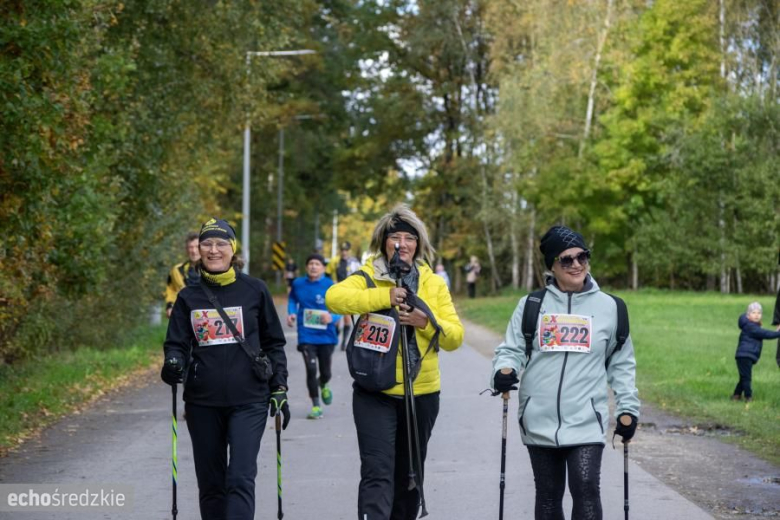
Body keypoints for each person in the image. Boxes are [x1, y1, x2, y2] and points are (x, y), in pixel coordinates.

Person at [491, 225, 640, 520]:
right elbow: (511, 349)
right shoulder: (532, 305)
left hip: (587, 417)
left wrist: (628, 408)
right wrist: (503, 370)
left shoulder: (612, 308)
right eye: (566, 259)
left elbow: (622, 363)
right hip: (539, 417)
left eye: (582, 256)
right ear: (552, 266)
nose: (576, 264)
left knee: (586, 488)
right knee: (547, 495)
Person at [325, 204, 464, 520]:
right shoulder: (368, 276)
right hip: (375, 391)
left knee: (410, 477)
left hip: (422, 393)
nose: (402, 244)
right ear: (383, 242)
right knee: (377, 472)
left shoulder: (434, 283)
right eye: (394, 238)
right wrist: (384, 298)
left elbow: (455, 337)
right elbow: (334, 298)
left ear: (418, 244)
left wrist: (424, 321)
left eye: (408, 238)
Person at [160, 218, 289, 520]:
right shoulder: (188, 296)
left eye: (221, 244)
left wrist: (279, 386)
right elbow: (175, 343)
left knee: (240, 479)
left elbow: (274, 343)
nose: (213, 250)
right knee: (212, 484)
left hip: (250, 399)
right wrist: (173, 363)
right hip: (203, 402)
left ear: (233, 249)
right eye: (207, 243)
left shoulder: (254, 290)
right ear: (199, 250)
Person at [287, 253, 340, 419]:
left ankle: (323, 382)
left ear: (323, 268)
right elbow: (292, 300)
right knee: (311, 369)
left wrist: (333, 317)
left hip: (326, 336)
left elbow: (340, 308)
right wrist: (291, 313)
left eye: (317, 264)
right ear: (306, 267)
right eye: (311, 263)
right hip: (306, 335)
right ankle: (316, 406)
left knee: (326, 372)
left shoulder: (330, 285)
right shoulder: (298, 284)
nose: (313, 266)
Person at [732, 302, 780, 402]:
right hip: (744, 355)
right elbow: (766, 334)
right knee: (747, 378)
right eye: (753, 312)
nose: (756, 315)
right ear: (748, 315)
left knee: (744, 377)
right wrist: (777, 333)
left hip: (746, 356)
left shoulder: (753, 326)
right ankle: (748, 397)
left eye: (759, 313)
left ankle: (736, 395)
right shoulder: (751, 327)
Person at [326, 240, 362, 350]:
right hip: (337, 291)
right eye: (342, 250)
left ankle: (344, 343)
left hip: (348, 292)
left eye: (346, 250)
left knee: (347, 319)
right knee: (336, 319)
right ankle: (335, 336)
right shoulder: (334, 261)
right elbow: (327, 273)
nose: (344, 252)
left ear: (349, 251)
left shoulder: (354, 262)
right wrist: (332, 283)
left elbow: (360, 277)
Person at [164, 231, 201, 318]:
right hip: (184, 316)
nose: (194, 251)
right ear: (186, 249)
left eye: (197, 247)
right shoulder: (176, 270)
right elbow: (171, 290)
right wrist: (170, 306)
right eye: (190, 247)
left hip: (207, 316)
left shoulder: (213, 269)